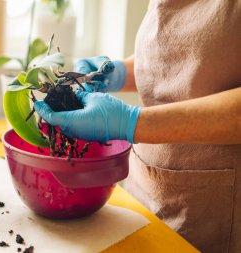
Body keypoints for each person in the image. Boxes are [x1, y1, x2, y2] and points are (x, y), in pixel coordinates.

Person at [34, 1, 241, 253]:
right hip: (144, 191)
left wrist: (130, 122)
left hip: (212, 210)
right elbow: (186, 64)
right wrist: (120, 73)